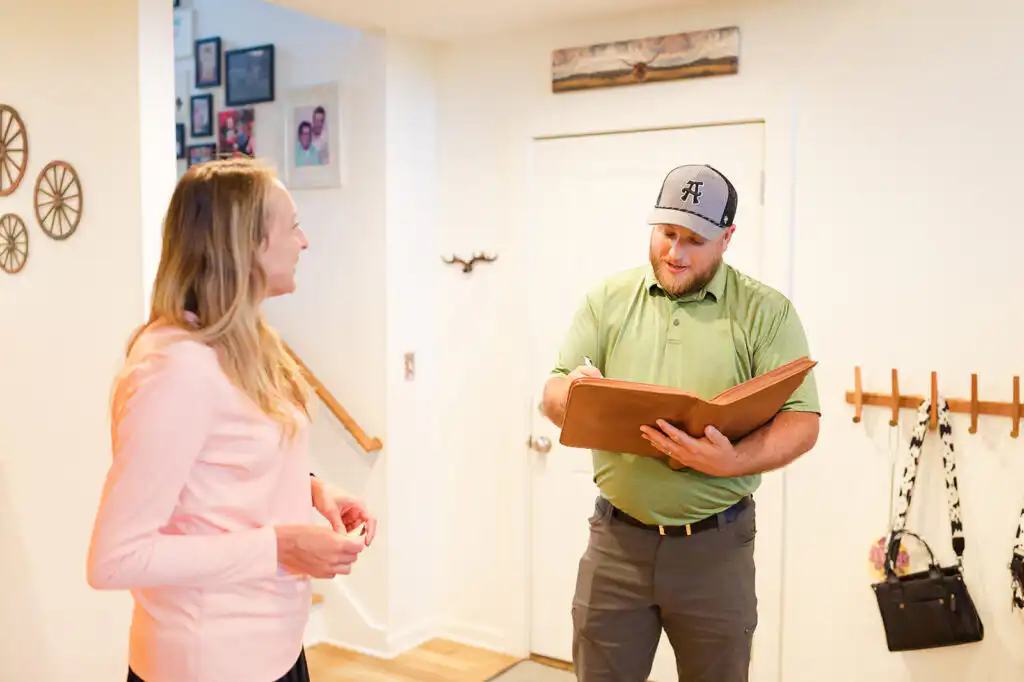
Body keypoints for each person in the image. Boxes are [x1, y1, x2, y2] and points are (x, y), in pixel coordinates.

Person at [87, 157, 377, 682]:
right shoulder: (176, 368)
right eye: (292, 225)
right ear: (245, 245)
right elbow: (115, 559)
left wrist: (311, 489)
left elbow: (222, 468)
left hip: (275, 649)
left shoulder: (241, 344)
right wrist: (281, 546)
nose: (304, 241)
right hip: (208, 664)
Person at [541, 164, 820, 682]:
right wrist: (578, 397)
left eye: (695, 240)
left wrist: (733, 460)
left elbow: (802, 421)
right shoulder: (607, 300)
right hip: (615, 544)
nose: (675, 253)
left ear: (727, 238)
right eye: (667, 234)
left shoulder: (766, 313)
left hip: (715, 551)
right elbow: (553, 391)